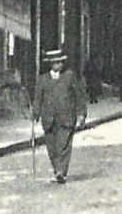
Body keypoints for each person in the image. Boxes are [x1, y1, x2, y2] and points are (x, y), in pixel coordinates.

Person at [33, 51, 88, 184]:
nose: (59, 65)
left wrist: (81, 114)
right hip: (49, 119)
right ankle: (57, 168)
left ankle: (61, 171)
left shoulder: (70, 77)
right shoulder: (43, 79)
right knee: (51, 148)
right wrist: (35, 112)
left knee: (63, 145)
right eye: (57, 62)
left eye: (61, 62)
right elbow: (38, 98)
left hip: (66, 118)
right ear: (51, 64)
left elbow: (80, 96)